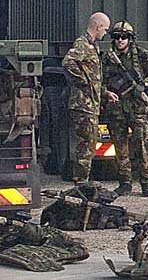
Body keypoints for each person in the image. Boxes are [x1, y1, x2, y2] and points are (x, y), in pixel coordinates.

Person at [101, 21, 148, 197]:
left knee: (141, 144)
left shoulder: (141, 55)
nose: (120, 40)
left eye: (124, 37)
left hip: (137, 107)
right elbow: (99, 81)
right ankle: (125, 182)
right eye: (116, 37)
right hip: (117, 107)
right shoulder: (107, 58)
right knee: (120, 146)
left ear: (130, 39)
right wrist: (107, 93)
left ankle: (147, 182)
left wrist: (144, 84)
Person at [62, 12, 118, 184]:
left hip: (91, 104)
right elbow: (68, 62)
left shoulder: (93, 46)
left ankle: (83, 180)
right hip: (83, 105)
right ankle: (81, 182)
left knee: (90, 143)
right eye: (105, 29)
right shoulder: (83, 44)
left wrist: (104, 92)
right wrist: (84, 81)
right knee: (86, 145)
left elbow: (94, 76)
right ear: (98, 25)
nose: (105, 33)